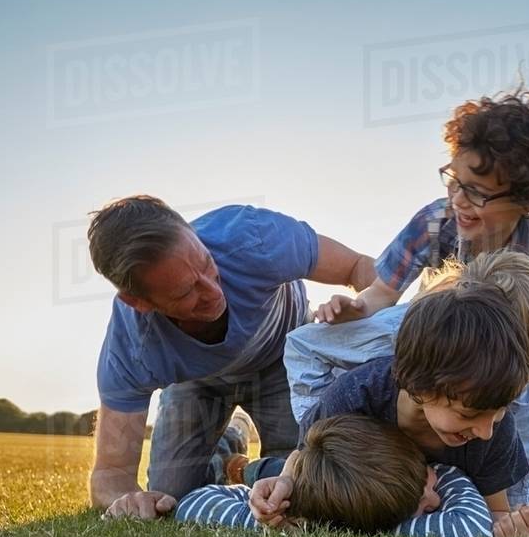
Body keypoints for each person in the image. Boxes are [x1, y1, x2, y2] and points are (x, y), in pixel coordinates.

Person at [313, 90, 529, 527]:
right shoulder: (436, 221)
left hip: (504, 388)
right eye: (454, 180)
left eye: (478, 193)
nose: (459, 199)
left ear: (526, 200)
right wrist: (355, 305)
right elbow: (383, 291)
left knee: (512, 491)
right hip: (441, 368)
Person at [87, 195, 376, 520]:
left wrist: (367, 310)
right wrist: (127, 500)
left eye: (208, 265)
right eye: (186, 292)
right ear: (139, 302)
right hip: (199, 384)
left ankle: (239, 465)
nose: (213, 292)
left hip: (285, 361)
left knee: (302, 483)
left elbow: (360, 266)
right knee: (171, 498)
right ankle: (228, 444)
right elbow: (110, 475)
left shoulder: (252, 236)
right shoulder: (132, 345)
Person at [284, 251, 529, 526]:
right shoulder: (395, 355)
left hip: (501, 445)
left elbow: (505, 497)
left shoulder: (498, 415)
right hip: (410, 438)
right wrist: (286, 482)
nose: (511, 372)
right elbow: (308, 455)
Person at [250, 281, 529, 537]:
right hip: (373, 477)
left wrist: (508, 527)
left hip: (488, 467)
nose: (486, 431)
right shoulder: (350, 400)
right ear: (419, 385)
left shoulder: (496, 432)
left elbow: (495, 512)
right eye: (468, 415)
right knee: (281, 473)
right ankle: (240, 465)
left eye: (498, 412)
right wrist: (285, 485)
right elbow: (305, 456)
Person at [176, 414, 493, 537]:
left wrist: (434, 475)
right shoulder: (291, 517)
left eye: (430, 476)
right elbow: (473, 526)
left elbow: (193, 503)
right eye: (423, 506)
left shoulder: (383, 475)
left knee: (269, 470)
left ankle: (238, 461)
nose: (438, 500)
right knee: (262, 474)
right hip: (294, 478)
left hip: (295, 470)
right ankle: (235, 455)